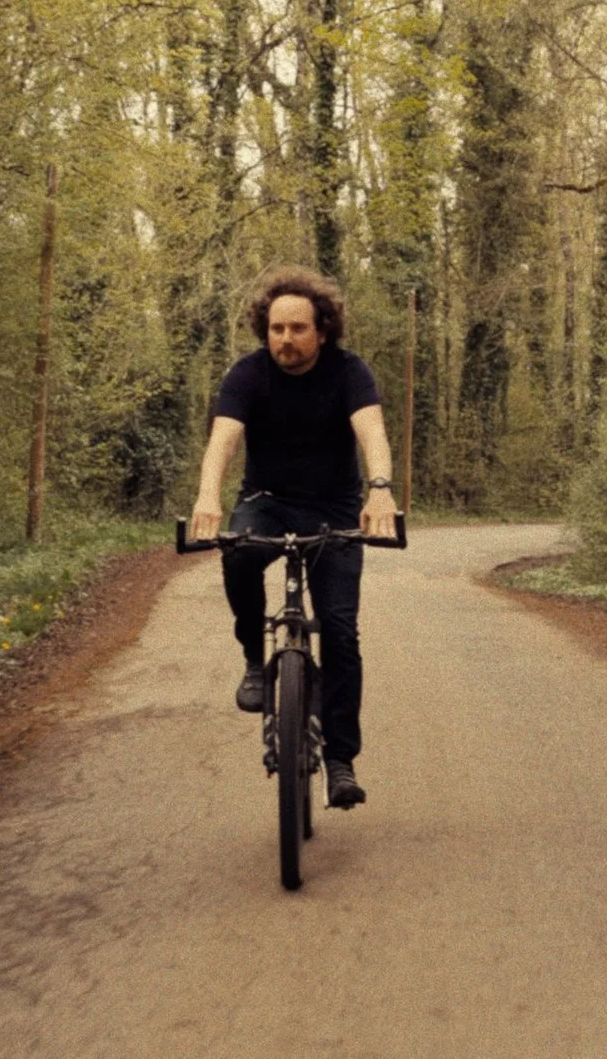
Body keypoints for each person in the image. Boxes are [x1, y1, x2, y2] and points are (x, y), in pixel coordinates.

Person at [188, 265, 398, 809]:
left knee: (341, 631)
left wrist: (379, 490)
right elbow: (222, 443)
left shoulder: (349, 372)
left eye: (298, 328)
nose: (286, 339)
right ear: (266, 331)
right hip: (267, 502)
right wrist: (208, 497)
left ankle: (340, 760)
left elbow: (371, 430)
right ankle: (256, 662)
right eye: (277, 329)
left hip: (334, 508)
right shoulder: (247, 374)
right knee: (235, 553)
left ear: (322, 330)